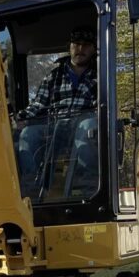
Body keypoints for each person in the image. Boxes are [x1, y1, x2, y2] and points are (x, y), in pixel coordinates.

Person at [15, 27, 98, 194]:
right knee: (28, 134)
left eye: (86, 45)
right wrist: (20, 118)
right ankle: (31, 186)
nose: (80, 49)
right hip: (55, 125)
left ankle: (87, 184)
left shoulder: (99, 75)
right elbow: (38, 104)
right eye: (76, 44)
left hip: (81, 125)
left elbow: (102, 107)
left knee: (89, 126)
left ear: (93, 49)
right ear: (70, 47)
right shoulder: (54, 75)